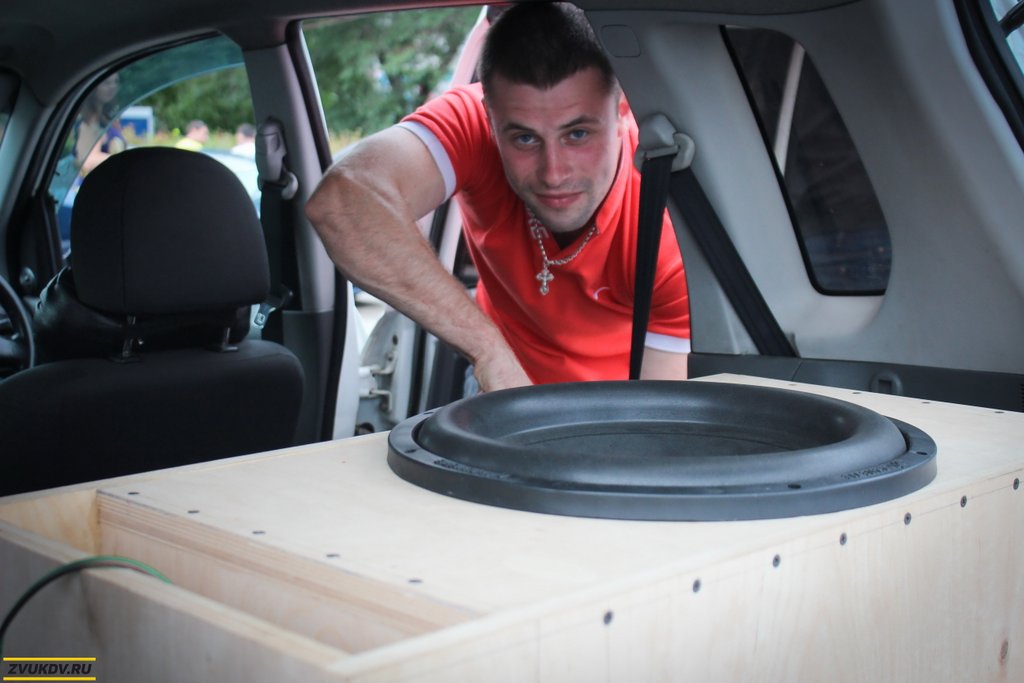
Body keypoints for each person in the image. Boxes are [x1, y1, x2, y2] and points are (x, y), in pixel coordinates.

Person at [306, 3, 690, 393]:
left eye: (577, 134)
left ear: (622, 110)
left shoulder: (667, 224)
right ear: (490, 119)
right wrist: (490, 353)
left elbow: (657, 408)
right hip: (494, 385)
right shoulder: (472, 123)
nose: (553, 173)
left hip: (612, 407)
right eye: (525, 139)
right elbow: (341, 201)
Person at [74, 73, 126, 175]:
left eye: (116, 82)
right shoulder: (90, 121)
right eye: (106, 83)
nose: (112, 86)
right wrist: (126, 161)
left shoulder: (107, 118)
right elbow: (86, 161)